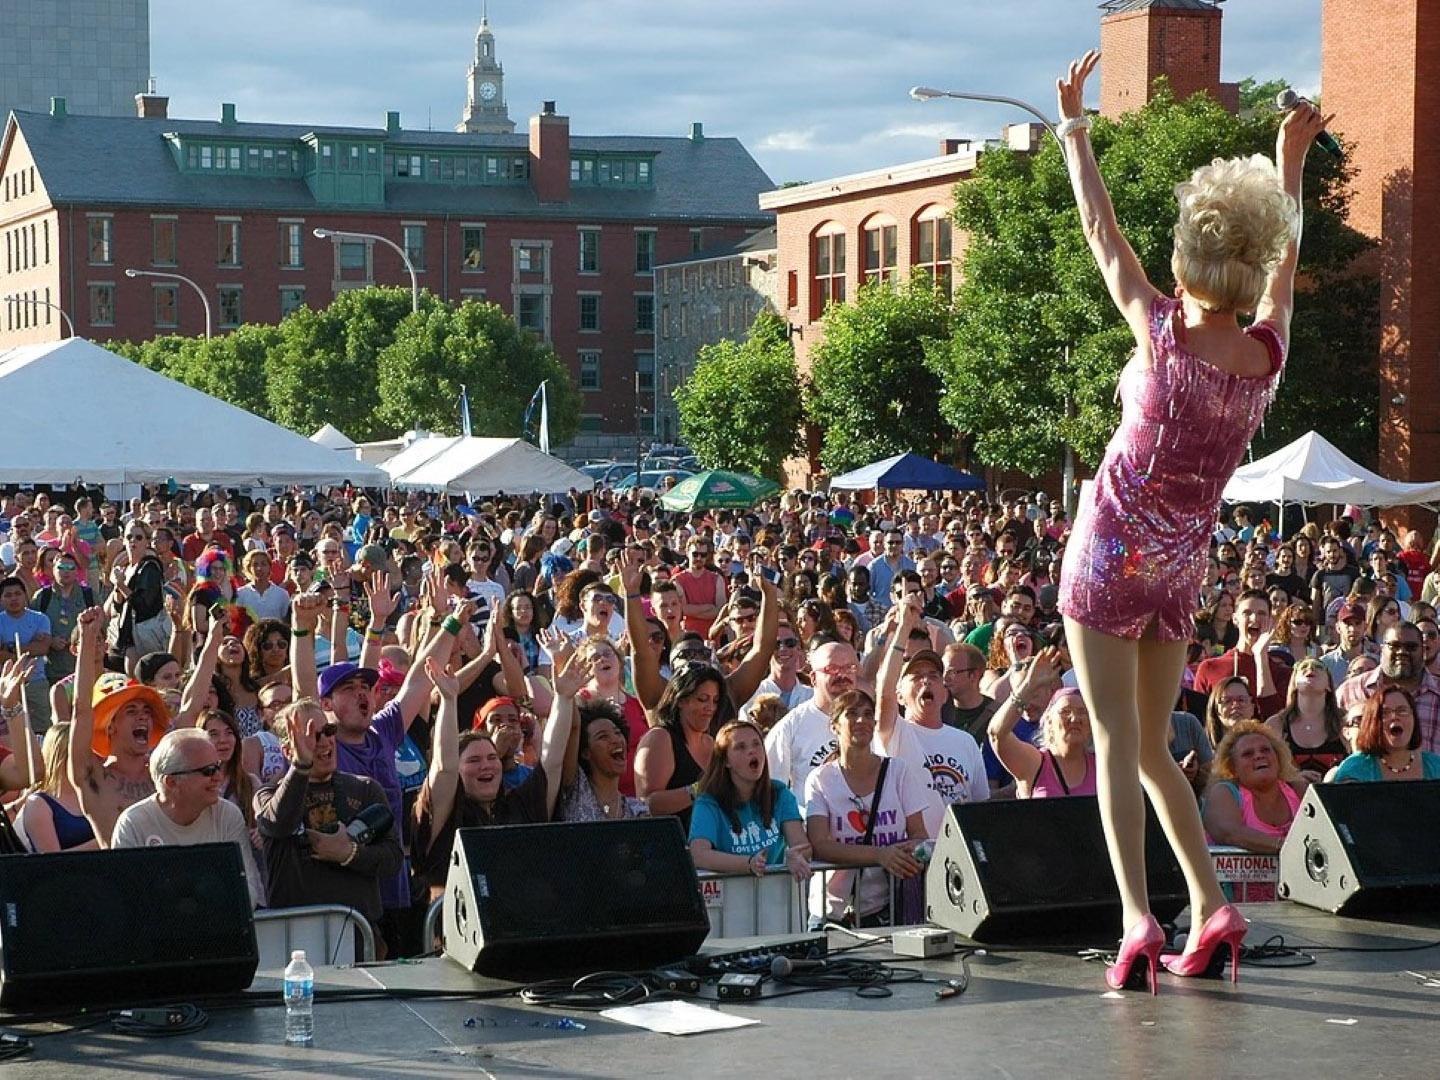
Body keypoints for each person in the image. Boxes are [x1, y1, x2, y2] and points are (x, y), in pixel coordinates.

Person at [1052, 51, 1326, 992]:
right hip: (1179, 566)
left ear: (1190, 254)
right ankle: (1212, 905)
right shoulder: (1265, 354)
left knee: (1119, 743)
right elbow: (1284, 264)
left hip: (1111, 548)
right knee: (1162, 742)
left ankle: (1137, 918)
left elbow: (1099, 230)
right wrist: (1289, 164)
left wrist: (1074, 129)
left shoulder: (1160, 330)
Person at [411, 653, 578, 900]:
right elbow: (444, 767)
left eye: (491, 758)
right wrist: (449, 700)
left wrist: (563, 699)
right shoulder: (446, 813)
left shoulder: (517, 805)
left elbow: (551, 763)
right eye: (474, 760)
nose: (486, 766)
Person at [254, 699, 404, 932]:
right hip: (294, 939)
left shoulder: (365, 789)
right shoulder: (268, 795)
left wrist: (348, 853)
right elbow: (278, 824)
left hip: (357, 932)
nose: (324, 741)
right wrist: (301, 766)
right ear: (287, 750)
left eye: (329, 731)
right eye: (312, 736)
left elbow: (393, 859)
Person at [804, 690, 930, 926]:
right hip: (830, 912)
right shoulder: (820, 779)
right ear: (835, 726)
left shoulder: (898, 772)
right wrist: (879, 855)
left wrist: (910, 851)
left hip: (884, 910)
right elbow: (819, 844)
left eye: (867, 714)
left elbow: (919, 834)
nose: (861, 720)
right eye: (852, 714)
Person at [111, 728, 264, 908]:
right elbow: (125, 900)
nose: (219, 777)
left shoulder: (227, 816)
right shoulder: (133, 824)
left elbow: (248, 889)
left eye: (218, 767)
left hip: (218, 928)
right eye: (208, 771)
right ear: (171, 782)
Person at [875, 598, 987, 836]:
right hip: (910, 860)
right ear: (900, 696)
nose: (926, 680)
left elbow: (980, 807)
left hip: (957, 859)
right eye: (916, 676)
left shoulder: (965, 742)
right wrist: (903, 627)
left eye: (934, 676)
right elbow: (884, 692)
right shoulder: (895, 732)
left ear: (945, 694)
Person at [68, 607, 167, 846]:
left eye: (146, 711)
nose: (143, 717)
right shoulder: (94, 777)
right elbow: (81, 711)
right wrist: (88, 639)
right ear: (110, 727)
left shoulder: (164, 776)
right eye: (131, 712)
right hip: (117, 880)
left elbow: (191, 708)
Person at [689, 719, 811, 881]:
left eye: (756, 744)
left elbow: (802, 845)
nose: (752, 751)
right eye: (740, 747)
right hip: (731, 899)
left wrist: (794, 855)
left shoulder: (780, 794)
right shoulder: (709, 802)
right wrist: (748, 864)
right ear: (725, 761)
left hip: (777, 898)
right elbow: (698, 854)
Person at [989, 654, 1096, 799]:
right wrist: (1029, 685)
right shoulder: (1035, 763)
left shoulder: (1102, 765)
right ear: (1049, 722)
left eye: (1082, 712)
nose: (1074, 718)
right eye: (1065, 712)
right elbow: (997, 734)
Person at [1336, 622, 1440, 754]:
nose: (1402, 652)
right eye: (1394, 646)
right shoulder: (1351, 691)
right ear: (1382, 649)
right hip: (1363, 773)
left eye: (1411, 647)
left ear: (1423, 651)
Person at [1202, 721, 1304, 856]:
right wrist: (1288, 848)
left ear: (1278, 758)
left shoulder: (1299, 789)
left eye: (1265, 750)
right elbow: (1230, 834)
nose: (1259, 755)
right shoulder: (1224, 792)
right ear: (1232, 768)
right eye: (1247, 754)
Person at [1331, 686, 1440, 782]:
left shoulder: (1434, 765)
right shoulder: (1355, 768)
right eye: (1385, 713)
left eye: (1402, 711)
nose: (1394, 717)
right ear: (1372, 723)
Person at [16, 721, 95, 851]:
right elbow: (52, 861)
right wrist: (101, 843)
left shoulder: (97, 793)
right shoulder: (38, 803)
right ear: (60, 756)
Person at [1266, 658, 1347, 783]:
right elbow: (1265, 769)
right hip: (1292, 799)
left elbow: (1360, 764)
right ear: (1294, 684)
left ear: (1329, 686)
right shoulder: (1276, 724)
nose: (1310, 669)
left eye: (1318, 667)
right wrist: (1293, 778)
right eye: (1303, 667)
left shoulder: (1345, 722)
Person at [0, 575, 51, 730]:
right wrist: (30, 646)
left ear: (25, 596)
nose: (13, 599)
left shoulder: (41, 619)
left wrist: (9, 649)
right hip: (7, 685)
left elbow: (43, 648)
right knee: (11, 731)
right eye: (8, 595)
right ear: (1, 599)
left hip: (37, 682)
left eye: (17, 594)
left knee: (42, 728)